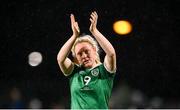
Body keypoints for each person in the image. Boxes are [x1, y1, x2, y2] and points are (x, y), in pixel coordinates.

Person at [57, 11, 116, 109]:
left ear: (94, 50)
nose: (84, 55)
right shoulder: (74, 72)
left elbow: (111, 53)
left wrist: (94, 31)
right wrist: (74, 36)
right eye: (79, 54)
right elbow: (60, 59)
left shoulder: (104, 71)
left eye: (86, 51)